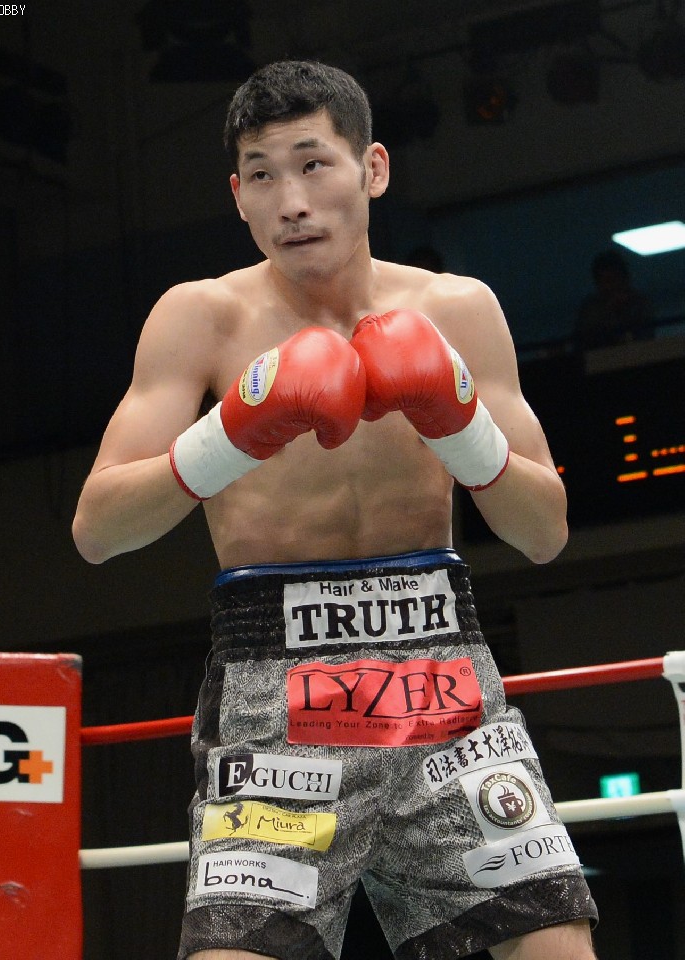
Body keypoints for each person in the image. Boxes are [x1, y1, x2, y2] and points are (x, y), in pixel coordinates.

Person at [72, 60, 598, 960]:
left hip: (444, 681)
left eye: (313, 164)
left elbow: (544, 532)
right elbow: (96, 530)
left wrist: (458, 424)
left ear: (373, 168)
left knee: (557, 948)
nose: (291, 201)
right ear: (238, 196)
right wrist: (233, 433)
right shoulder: (200, 318)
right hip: (275, 696)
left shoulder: (457, 310)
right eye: (263, 174)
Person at [574, 248, 651, 350]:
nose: (609, 287)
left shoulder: (639, 303)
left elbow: (646, 338)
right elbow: (583, 343)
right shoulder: (590, 309)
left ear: (624, 278)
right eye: (604, 281)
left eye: (613, 279)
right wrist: (607, 313)